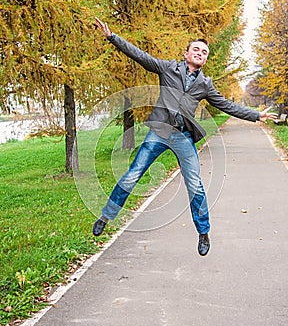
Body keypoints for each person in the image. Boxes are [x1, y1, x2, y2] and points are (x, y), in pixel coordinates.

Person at [92, 18, 277, 256]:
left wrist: (255, 115)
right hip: (158, 132)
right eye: (196, 49)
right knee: (132, 175)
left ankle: (203, 233)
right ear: (186, 53)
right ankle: (106, 217)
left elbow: (227, 106)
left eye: (205, 52)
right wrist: (112, 37)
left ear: (205, 59)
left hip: (183, 137)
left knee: (195, 185)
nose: (200, 53)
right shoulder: (168, 68)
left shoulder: (205, 84)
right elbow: (140, 56)